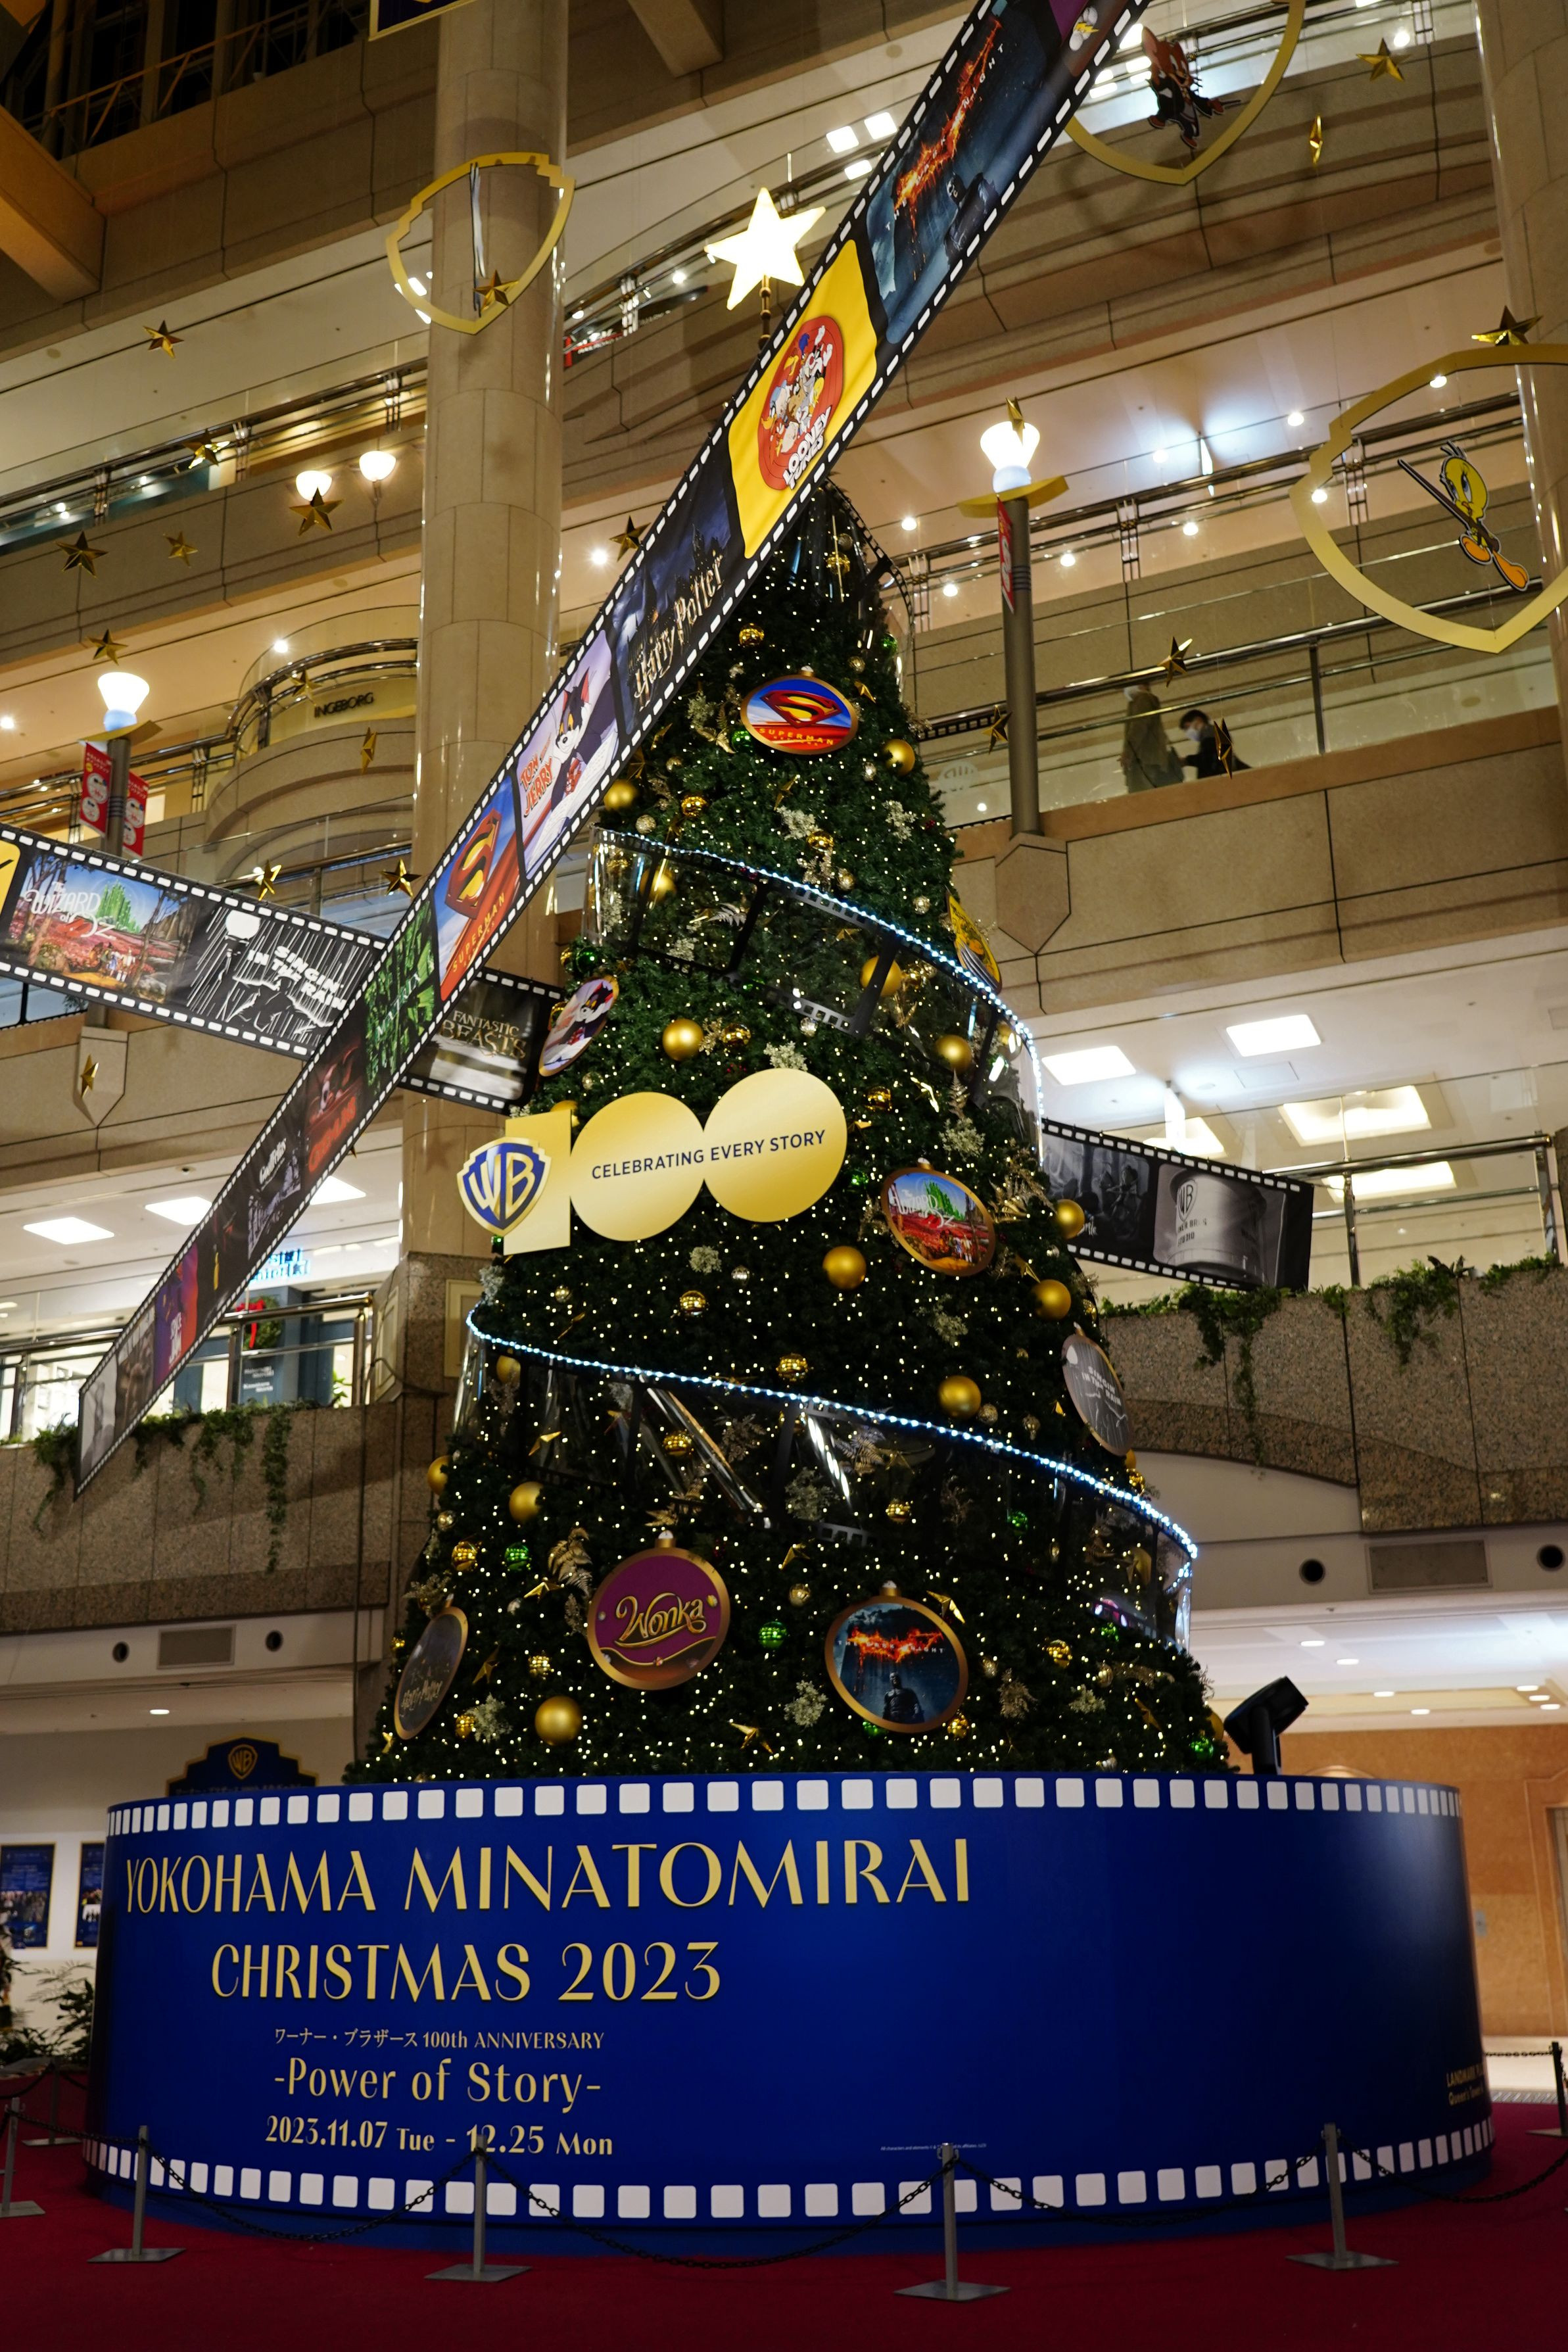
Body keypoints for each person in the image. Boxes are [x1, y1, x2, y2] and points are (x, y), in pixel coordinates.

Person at [1120, 683, 1184, 792]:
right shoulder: (1144, 700)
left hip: (1145, 760)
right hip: (1149, 760)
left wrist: (1128, 752)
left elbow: (1139, 727)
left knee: (1144, 794)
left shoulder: (1143, 698)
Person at [1179, 708, 1248, 779]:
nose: (1188, 732)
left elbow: (1208, 760)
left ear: (1199, 720)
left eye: (1187, 726)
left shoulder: (1211, 734)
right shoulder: (1214, 733)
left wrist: (1187, 760)